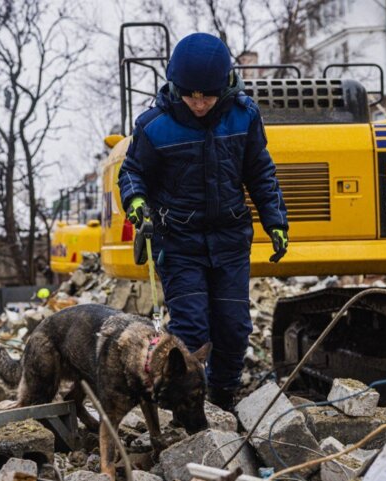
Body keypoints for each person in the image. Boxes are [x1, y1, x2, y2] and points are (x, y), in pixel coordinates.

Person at [118, 32, 289, 410]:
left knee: (234, 327)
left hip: (230, 238)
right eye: (190, 95)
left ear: (223, 87)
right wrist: (137, 203)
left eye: (206, 96)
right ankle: (182, 402)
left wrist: (275, 220)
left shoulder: (245, 116)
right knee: (191, 329)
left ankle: (222, 398)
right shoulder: (154, 125)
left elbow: (260, 171)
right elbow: (132, 173)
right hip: (178, 241)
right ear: (176, 87)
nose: (198, 103)